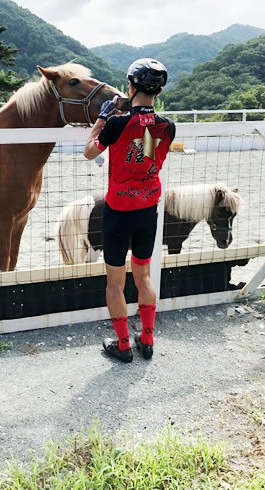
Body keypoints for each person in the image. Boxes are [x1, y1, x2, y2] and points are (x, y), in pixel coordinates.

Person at [83, 58, 175, 362]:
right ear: (159, 91)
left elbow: (89, 151)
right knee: (144, 276)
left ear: (131, 87)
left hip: (119, 211)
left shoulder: (117, 124)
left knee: (115, 282)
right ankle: (147, 340)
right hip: (148, 208)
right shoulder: (167, 127)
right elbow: (144, 149)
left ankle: (123, 345)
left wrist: (103, 119)